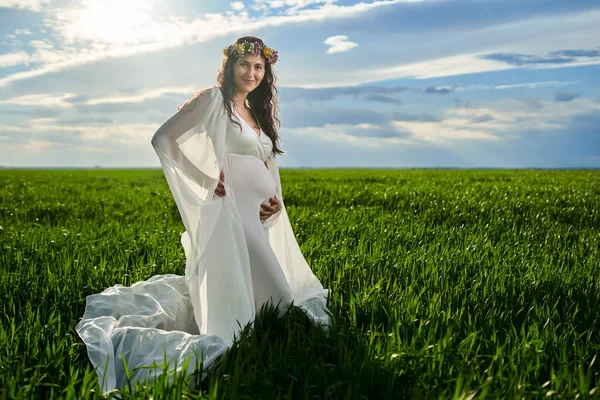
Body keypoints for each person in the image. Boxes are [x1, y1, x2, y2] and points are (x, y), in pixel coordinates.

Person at [76, 36, 332, 394]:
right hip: (230, 214)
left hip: (256, 217)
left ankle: (262, 350)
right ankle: (234, 363)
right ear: (229, 67)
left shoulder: (256, 113)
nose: (251, 72)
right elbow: (163, 139)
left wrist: (277, 200)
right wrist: (206, 178)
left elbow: (266, 163)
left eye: (259, 67)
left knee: (272, 304)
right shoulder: (213, 100)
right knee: (279, 303)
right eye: (244, 64)